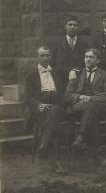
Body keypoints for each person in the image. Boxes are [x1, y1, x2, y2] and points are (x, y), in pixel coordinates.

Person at [64, 49, 106, 166]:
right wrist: (80, 96)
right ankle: (97, 156)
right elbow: (67, 95)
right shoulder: (77, 74)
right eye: (86, 57)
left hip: (100, 106)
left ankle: (80, 138)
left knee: (92, 109)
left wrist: (91, 99)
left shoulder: (105, 74)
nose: (88, 59)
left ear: (98, 60)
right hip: (79, 106)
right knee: (92, 115)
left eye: (91, 57)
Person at [24, 46, 67, 174]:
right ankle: (56, 162)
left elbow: (63, 94)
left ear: (51, 57)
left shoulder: (57, 73)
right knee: (55, 121)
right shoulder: (31, 75)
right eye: (42, 55)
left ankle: (44, 143)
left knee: (55, 111)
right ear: (37, 57)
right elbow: (28, 98)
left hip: (56, 105)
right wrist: (40, 105)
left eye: (47, 55)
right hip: (40, 109)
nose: (45, 58)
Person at [51, 16, 88, 91]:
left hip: (78, 79)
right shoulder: (57, 43)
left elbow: (86, 62)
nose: (72, 27)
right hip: (60, 80)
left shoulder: (84, 44)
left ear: (78, 28)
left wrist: (76, 70)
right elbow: (52, 63)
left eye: (75, 25)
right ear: (65, 27)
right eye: (70, 24)